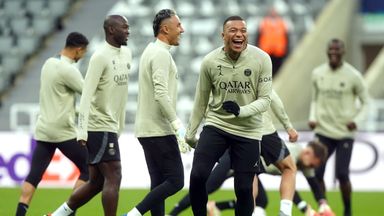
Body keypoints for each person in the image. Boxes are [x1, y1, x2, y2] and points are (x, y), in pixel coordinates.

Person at [185, 15, 272, 216]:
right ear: (223, 35)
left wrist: (241, 111)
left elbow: (265, 100)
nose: (239, 35)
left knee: (243, 189)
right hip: (217, 124)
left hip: (249, 130)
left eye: (243, 31)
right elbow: (200, 100)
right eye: (233, 31)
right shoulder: (210, 61)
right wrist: (190, 134)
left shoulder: (262, 59)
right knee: (198, 175)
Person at [48, 15, 131, 216]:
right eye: (124, 27)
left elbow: (122, 93)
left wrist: (119, 124)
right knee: (115, 174)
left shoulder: (127, 53)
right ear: (111, 30)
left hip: (110, 126)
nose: (128, 31)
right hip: (97, 125)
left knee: (96, 183)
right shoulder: (100, 57)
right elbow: (85, 96)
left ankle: (57, 215)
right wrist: (82, 130)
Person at [169, 89, 297, 216]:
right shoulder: (258, 70)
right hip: (263, 130)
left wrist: (195, 134)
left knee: (249, 183)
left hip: (238, 137)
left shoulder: (220, 73)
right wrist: (288, 127)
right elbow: (273, 99)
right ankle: (285, 212)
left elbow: (205, 103)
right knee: (288, 168)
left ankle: (175, 212)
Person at [122, 9, 189, 216]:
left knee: (158, 183)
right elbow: (161, 94)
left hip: (146, 130)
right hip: (159, 129)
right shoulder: (160, 54)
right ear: (165, 29)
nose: (182, 29)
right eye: (178, 26)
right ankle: (134, 214)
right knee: (176, 181)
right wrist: (177, 126)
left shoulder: (150, 51)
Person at [15, 32, 89, 216]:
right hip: (63, 132)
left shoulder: (48, 64)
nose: (82, 57)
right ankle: (67, 213)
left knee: (34, 176)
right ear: (78, 50)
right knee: (89, 169)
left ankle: (19, 214)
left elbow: (59, 98)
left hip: (43, 130)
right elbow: (88, 94)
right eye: (83, 53)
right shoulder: (68, 69)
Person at [308, 38, 369, 216]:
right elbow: (314, 99)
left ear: (344, 52)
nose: (333, 53)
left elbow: (366, 102)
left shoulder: (353, 76)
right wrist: (312, 118)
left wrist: (357, 121)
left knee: (342, 174)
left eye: (337, 50)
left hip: (344, 132)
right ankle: (324, 208)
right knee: (317, 173)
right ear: (327, 51)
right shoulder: (317, 73)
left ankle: (347, 209)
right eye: (331, 50)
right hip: (323, 130)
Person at [207, 141, 332, 216]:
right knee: (206, 188)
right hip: (243, 163)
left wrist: (323, 203)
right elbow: (289, 188)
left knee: (260, 201)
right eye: (313, 164)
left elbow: (314, 184)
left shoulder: (304, 161)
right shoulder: (292, 157)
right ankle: (197, 203)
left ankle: (216, 206)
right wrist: (305, 209)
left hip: (253, 170)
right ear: (308, 154)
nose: (312, 168)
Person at [256, 7, 289, 77]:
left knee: (278, 70)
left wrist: (286, 50)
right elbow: (258, 37)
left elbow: (286, 38)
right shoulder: (263, 22)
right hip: (266, 51)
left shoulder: (282, 23)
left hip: (279, 51)